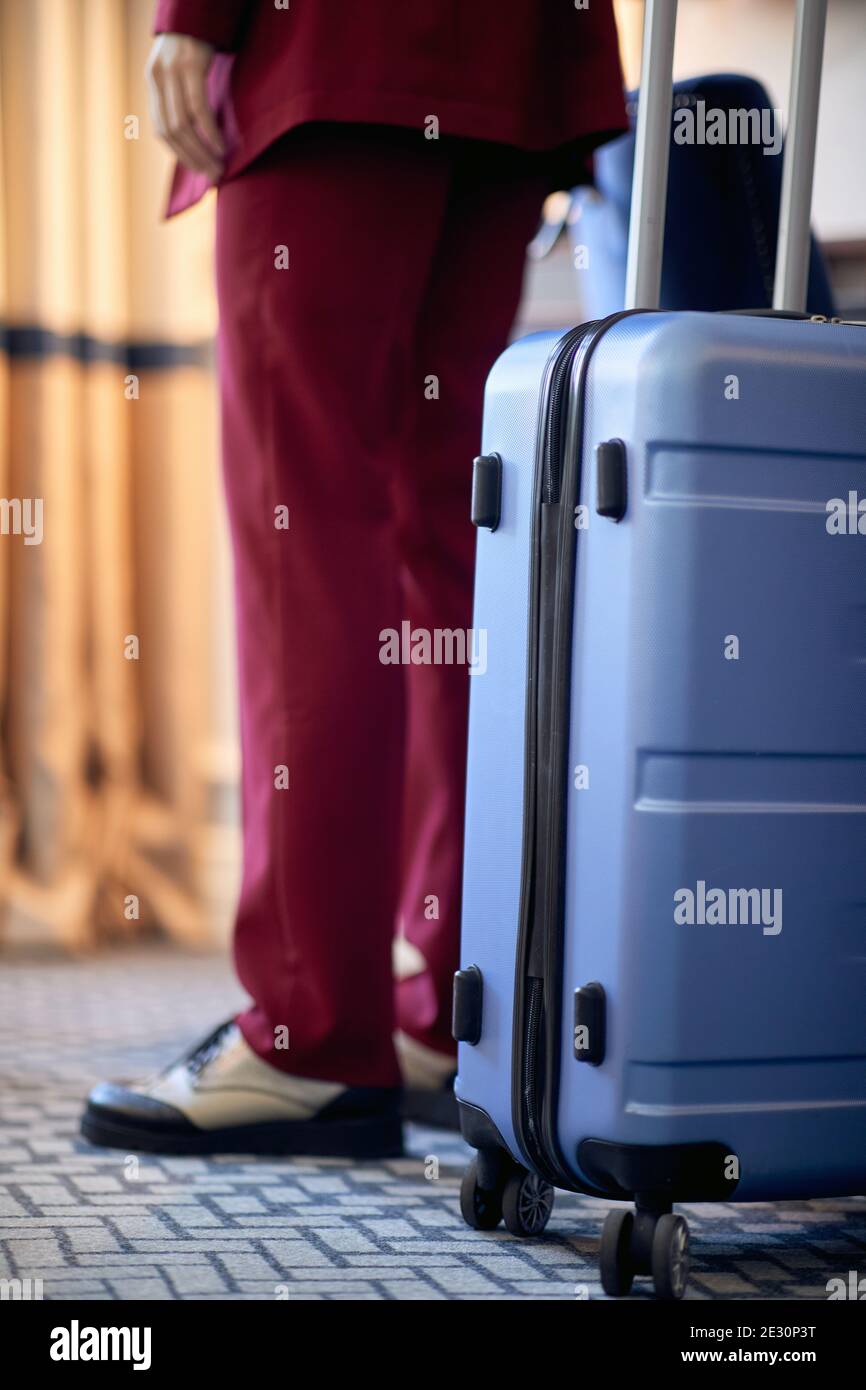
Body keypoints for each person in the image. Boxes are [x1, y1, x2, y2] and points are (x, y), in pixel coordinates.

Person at [82, 0, 625, 1158]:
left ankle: (309, 1029)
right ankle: (441, 997)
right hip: (509, 67)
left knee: (306, 525)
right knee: (440, 532)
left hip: (336, 45)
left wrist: (195, 13)